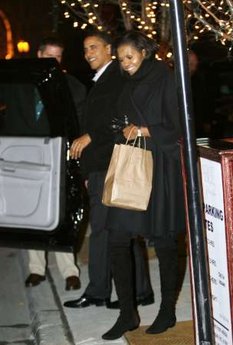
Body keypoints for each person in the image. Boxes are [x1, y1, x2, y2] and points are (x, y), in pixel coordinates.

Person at [100, 30, 186, 340]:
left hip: (160, 166)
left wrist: (147, 130)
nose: (125, 64)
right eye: (121, 59)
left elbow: (180, 124)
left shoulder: (165, 77)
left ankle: (167, 310)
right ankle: (127, 313)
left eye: (130, 57)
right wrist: (119, 127)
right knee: (117, 239)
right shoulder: (126, 82)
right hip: (131, 165)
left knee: (163, 241)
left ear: (144, 53)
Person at [63, 30, 154, 309]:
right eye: (85, 49)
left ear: (108, 49)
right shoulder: (103, 79)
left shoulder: (115, 77)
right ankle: (129, 291)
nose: (88, 53)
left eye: (93, 47)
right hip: (102, 165)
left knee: (109, 229)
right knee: (112, 229)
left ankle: (105, 290)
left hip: (111, 163)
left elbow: (118, 116)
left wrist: (90, 136)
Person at [24, 37, 86, 291]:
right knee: (31, 214)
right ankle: (36, 268)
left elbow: (80, 124)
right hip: (27, 156)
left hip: (58, 158)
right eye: (49, 55)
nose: (53, 60)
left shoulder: (72, 86)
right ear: (39, 55)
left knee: (61, 213)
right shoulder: (22, 84)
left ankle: (69, 271)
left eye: (58, 56)